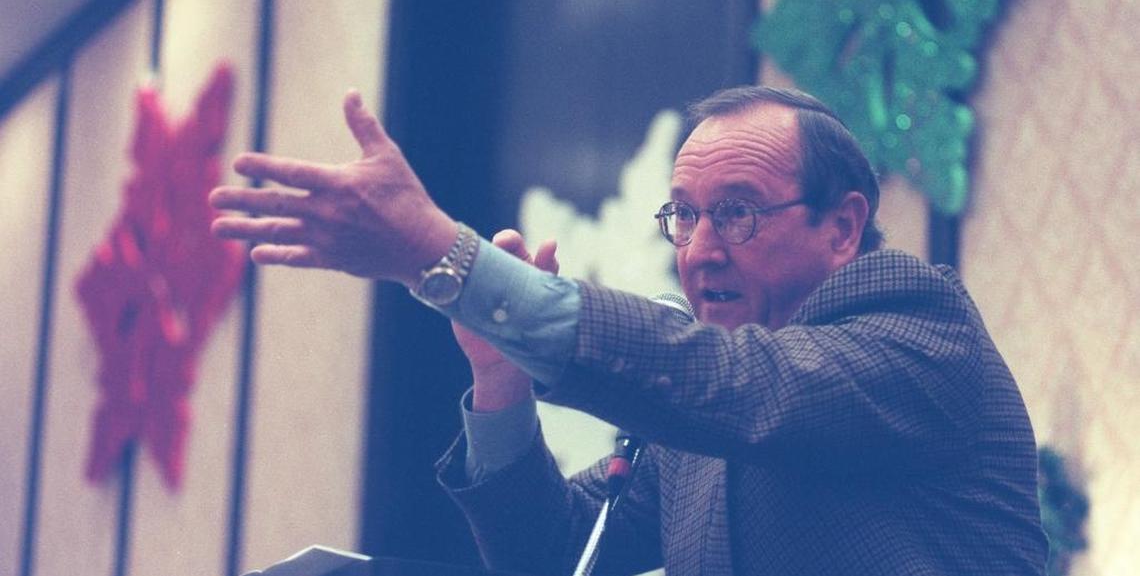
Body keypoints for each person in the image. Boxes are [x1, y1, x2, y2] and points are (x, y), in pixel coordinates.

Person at [210, 86, 1048, 575]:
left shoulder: (920, 329)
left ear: (841, 227)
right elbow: (559, 554)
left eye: (738, 213)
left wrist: (446, 257)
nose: (701, 249)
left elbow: (740, 384)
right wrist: (501, 384)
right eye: (683, 216)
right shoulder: (692, 426)